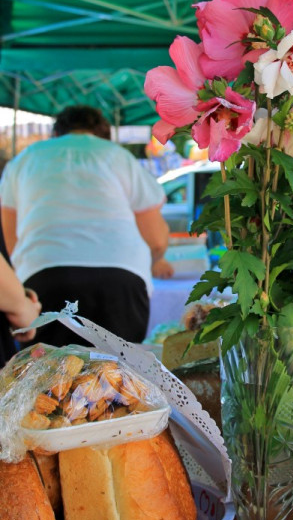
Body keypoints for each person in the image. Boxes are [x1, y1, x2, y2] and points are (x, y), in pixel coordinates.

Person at [0, 105, 169, 347]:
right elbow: (157, 239)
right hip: (121, 278)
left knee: (46, 377)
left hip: (43, 275)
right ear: (103, 134)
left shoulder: (25, 158)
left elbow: (8, 240)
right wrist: (155, 262)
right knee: (122, 378)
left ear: (56, 133)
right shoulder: (118, 155)